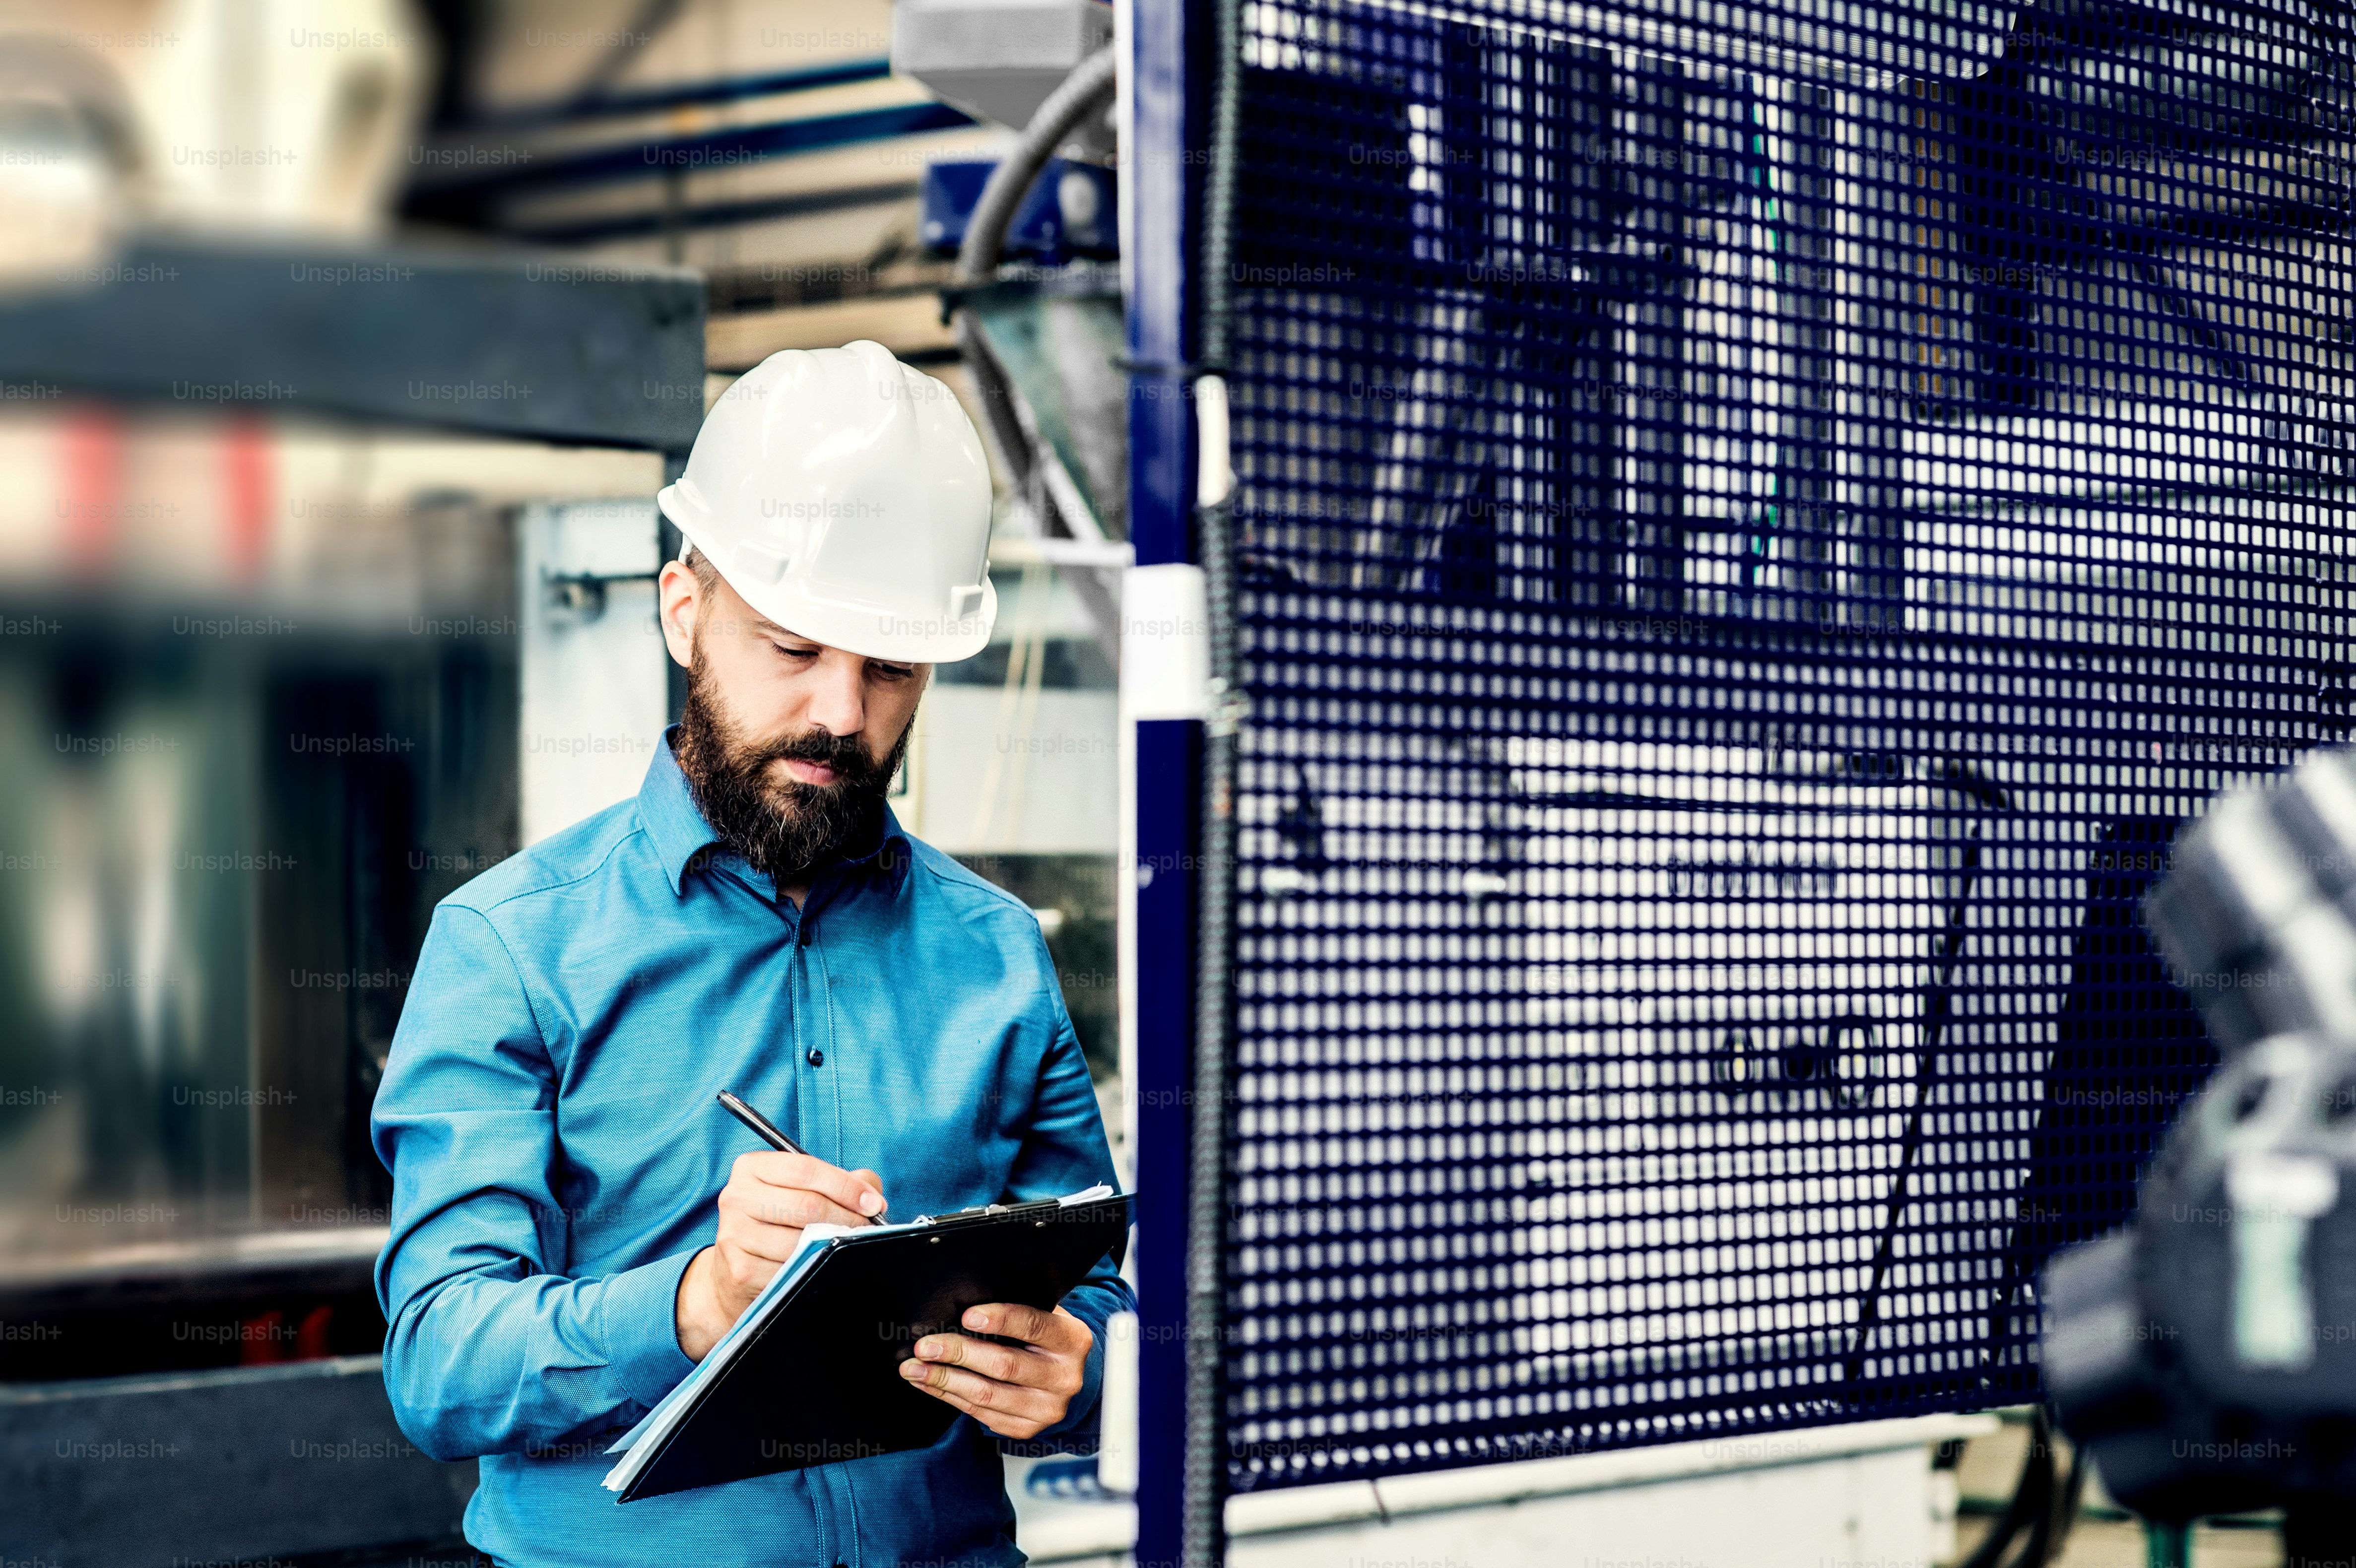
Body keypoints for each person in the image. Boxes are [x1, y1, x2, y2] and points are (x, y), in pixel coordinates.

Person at [372, 340, 1130, 1568]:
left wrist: (1075, 1375)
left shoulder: (995, 952)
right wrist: (697, 1300)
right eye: (793, 647)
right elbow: (440, 1361)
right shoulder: (511, 946)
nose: (841, 711)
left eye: (888, 666)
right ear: (687, 610)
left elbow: (1090, 1284)